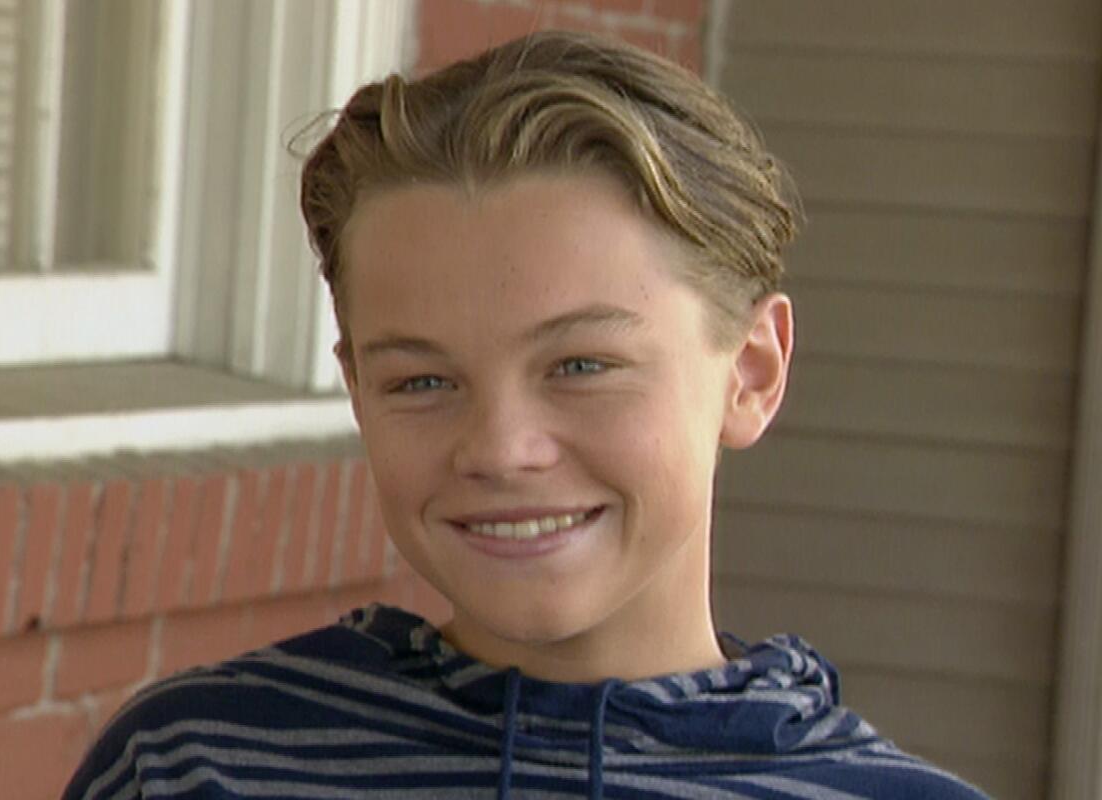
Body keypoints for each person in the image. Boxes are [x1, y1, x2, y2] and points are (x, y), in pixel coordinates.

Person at [64, 30, 990, 800]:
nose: (500, 449)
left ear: (751, 373)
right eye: (421, 382)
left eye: (581, 365)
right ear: (357, 391)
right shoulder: (191, 767)